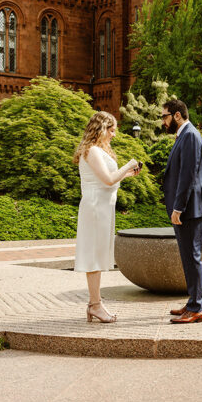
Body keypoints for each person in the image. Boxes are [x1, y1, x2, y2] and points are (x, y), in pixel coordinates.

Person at [73, 111, 139, 323]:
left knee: (98, 256)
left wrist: (127, 174)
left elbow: (109, 180)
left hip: (102, 207)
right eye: (111, 130)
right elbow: (108, 180)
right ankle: (95, 305)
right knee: (94, 257)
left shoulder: (98, 151)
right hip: (94, 208)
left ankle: (95, 304)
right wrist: (128, 165)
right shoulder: (92, 151)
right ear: (100, 129)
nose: (114, 135)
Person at [161, 99, 202, 323]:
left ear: (177, 115)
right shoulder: (184, 134)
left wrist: (178, 207)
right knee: (188, 257)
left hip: (190, 207)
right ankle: (193, 301)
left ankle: (197, 308)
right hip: (188, 207)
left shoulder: (190, 135)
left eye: (165, 116)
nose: (163, 121)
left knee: (192, 256)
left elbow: (188, 175)